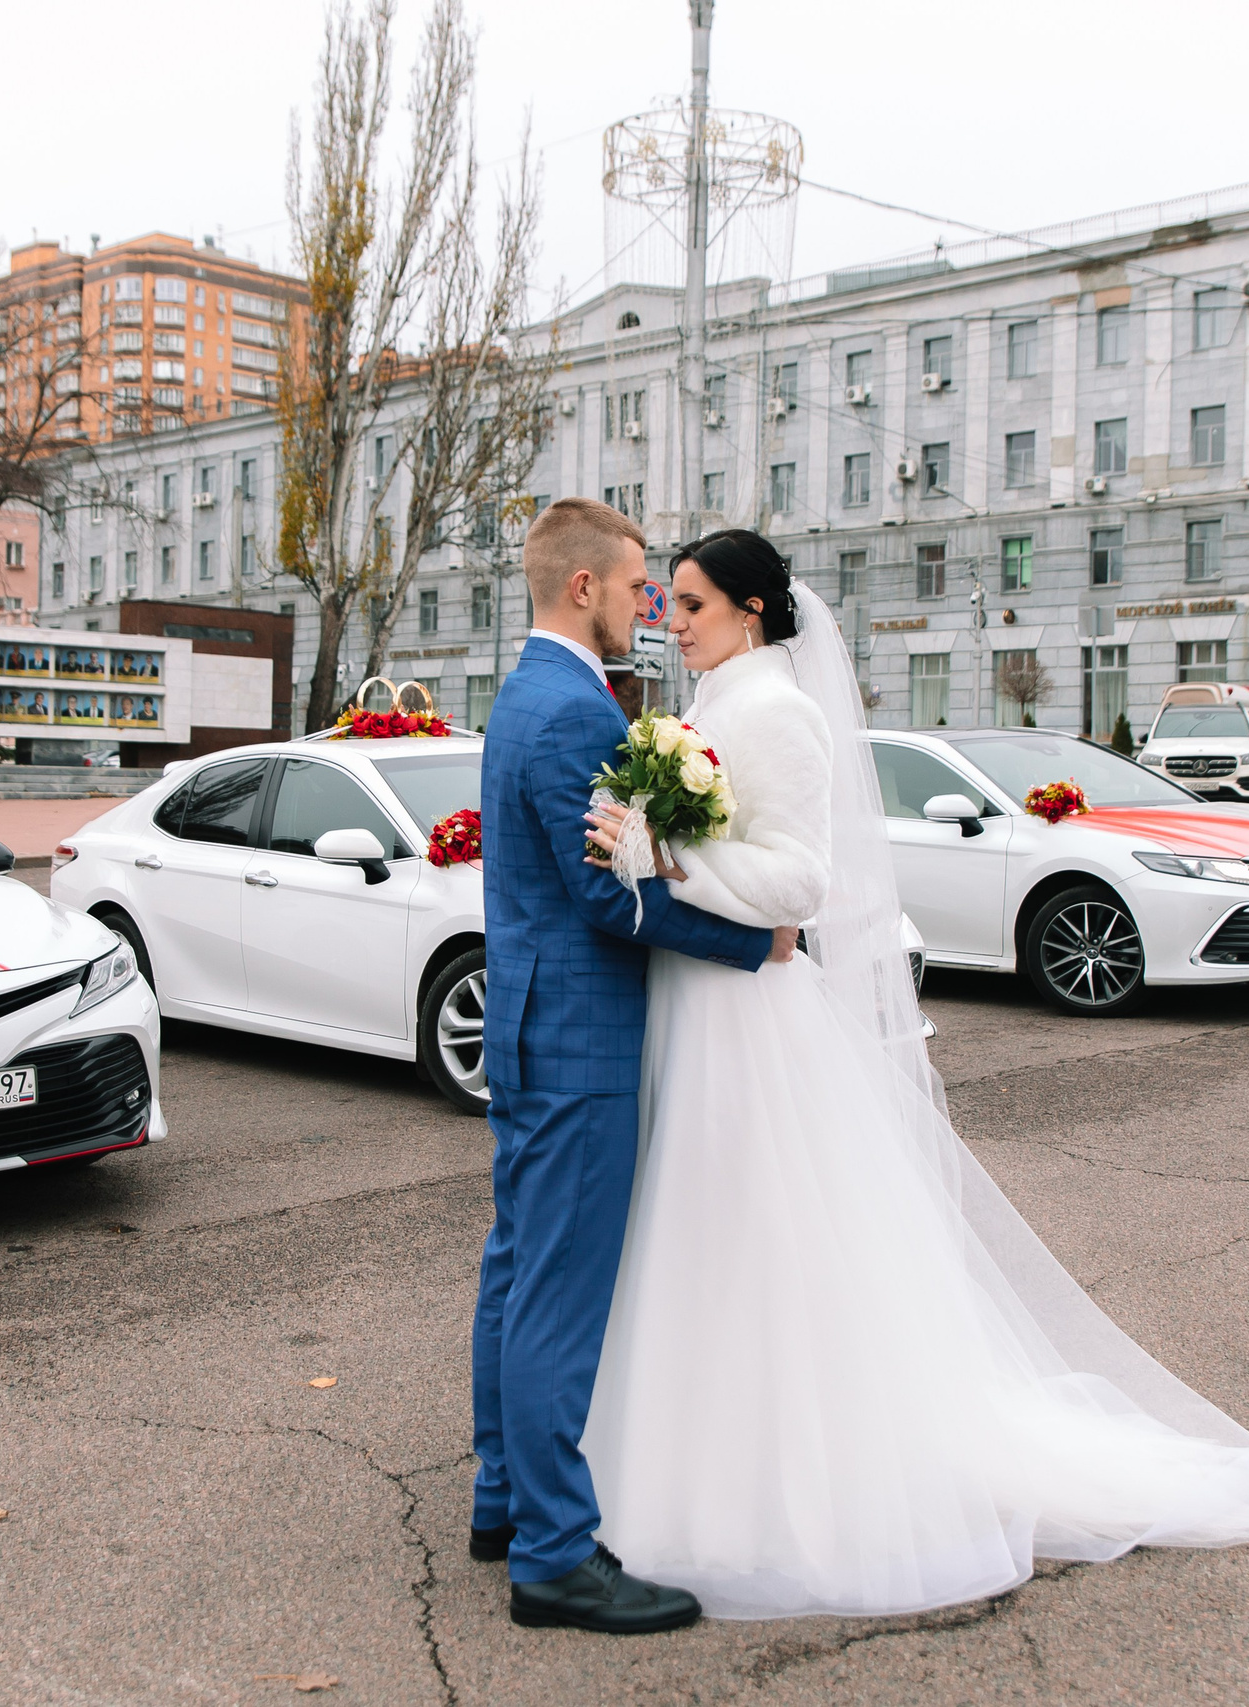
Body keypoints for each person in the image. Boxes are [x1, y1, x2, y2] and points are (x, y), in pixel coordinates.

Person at [576, 528, 1249, 1621]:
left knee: (756, 1234)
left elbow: (798, 886)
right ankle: (694, 1453)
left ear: (753, 613)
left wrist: (662, 857)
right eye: (669, 604)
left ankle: (770, 1483)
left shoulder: (775, 710)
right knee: (708, 1229)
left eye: (688, 605)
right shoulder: (712, 709)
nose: (670, 622)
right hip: (702, 1005)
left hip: (749, 1019)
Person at [473, 498, 793, 1636]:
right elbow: (608, 898)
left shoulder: (530, 695)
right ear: (582, 590)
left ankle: (502, 1500)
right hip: (576, 1044)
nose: (648, 604)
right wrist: (755, 942)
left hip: (533, 1030)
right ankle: (555, 1558)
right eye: (636, 585)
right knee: (557, 1291)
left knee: (517, 1269)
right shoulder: (569, 711)